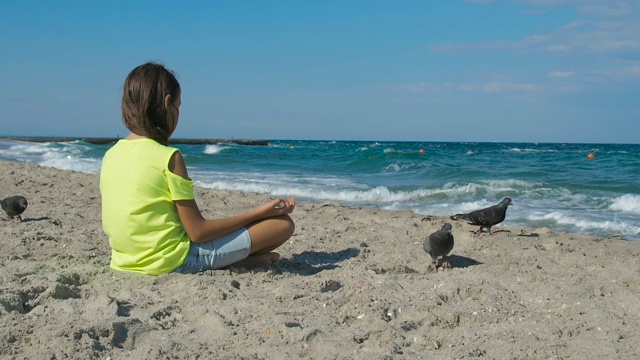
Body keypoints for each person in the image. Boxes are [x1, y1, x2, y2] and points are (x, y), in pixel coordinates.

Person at [100, 62, 295, 275]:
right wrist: (259, 213)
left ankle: (244, 262)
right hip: (173, 261)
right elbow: (198, 232)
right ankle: (236, 263)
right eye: (179, 106)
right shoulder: (168, 157)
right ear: (167, 103)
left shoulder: (111, 155)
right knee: (282, 225)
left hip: (124, 262)